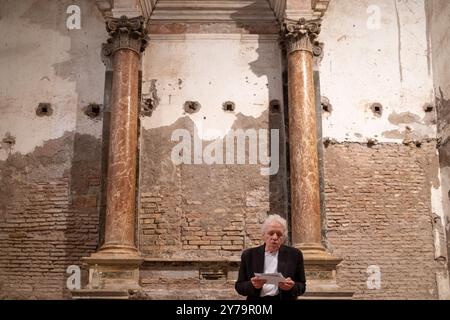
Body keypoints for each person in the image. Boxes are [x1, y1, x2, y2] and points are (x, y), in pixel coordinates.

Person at [235, 214, 306, 300]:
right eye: (271, 233)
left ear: (283, 238)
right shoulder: (249, 255)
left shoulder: (295, 254)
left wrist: (291, 287)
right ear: (263, 236)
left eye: (279, 234)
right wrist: (252, 285)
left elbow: (302, 286)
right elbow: (239, 286)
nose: (275, 237)